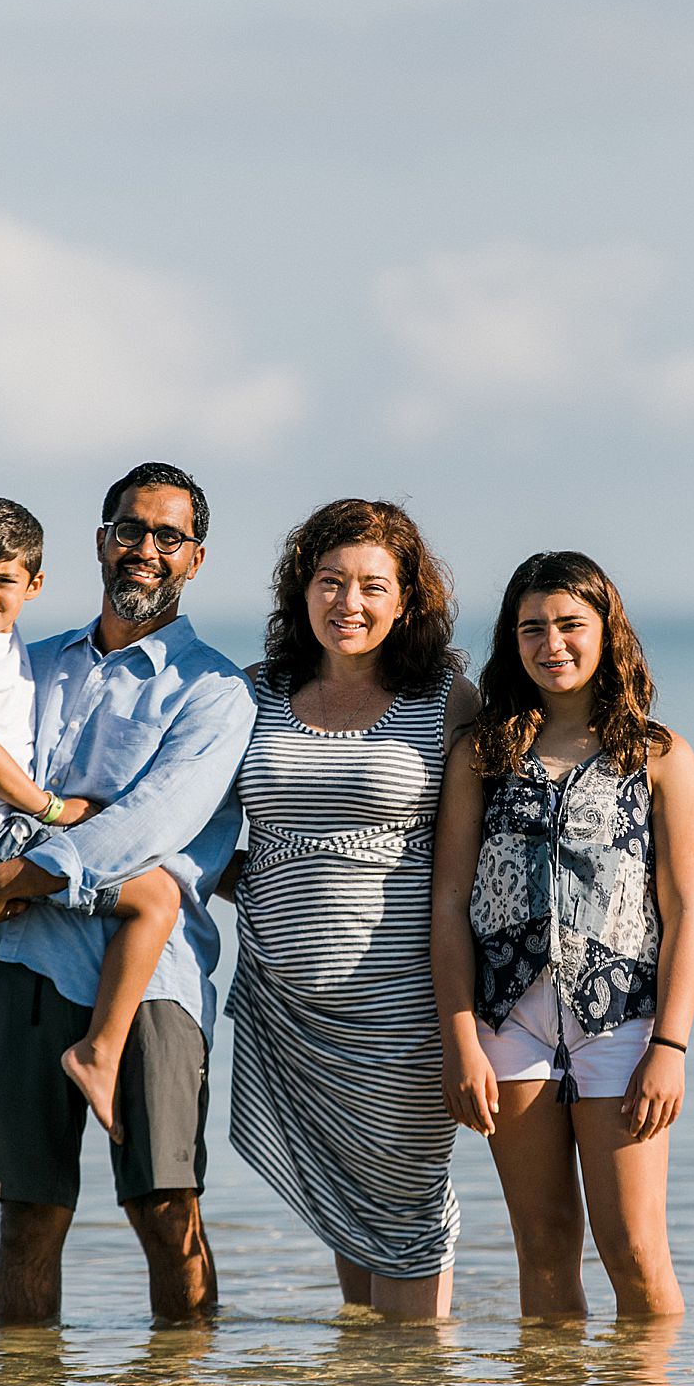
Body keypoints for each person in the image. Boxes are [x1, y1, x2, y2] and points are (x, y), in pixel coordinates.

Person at [0, 463, 256, 1326]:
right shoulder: (29, 659)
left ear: (195, 559)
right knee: (28, 1218)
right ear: (101, 543)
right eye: (130, 530)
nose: (146, 549)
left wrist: (13, 879)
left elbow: (149, 826)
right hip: (27, 961)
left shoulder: (217, 690)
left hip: (155, 977)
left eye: (167, 537)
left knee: (166, 1210)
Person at [432, 551, 694, 1319]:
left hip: (623, 1024)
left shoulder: (660, 757)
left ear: (606, 631)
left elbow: (686, 913)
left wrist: (672, 1048)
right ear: (511, 642)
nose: (551, 643)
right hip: (507, 1025)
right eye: (532, 629)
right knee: (545, 1245)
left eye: (569, 625)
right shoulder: (481, 756)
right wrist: (461, 1039)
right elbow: (449, 904)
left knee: (635, 1253)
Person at [223, 499, 479, 1320]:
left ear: (407, 599)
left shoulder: (447, 700)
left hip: (405, 1006)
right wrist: (254, 885)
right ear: (301, 591)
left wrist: (465, 1028)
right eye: (330, 582)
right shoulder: (253, 693)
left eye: (374, 585)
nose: (349, 603)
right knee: (348, 1213)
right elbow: (187, 827)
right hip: (287, 1008)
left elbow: (472, 866)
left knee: (404, 1215)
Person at [0, 495, 182, 1142]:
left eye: (4, 580)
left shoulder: (5, 645)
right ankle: (100, 1050)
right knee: (157, 897)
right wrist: (53, 810)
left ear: (34, 585)